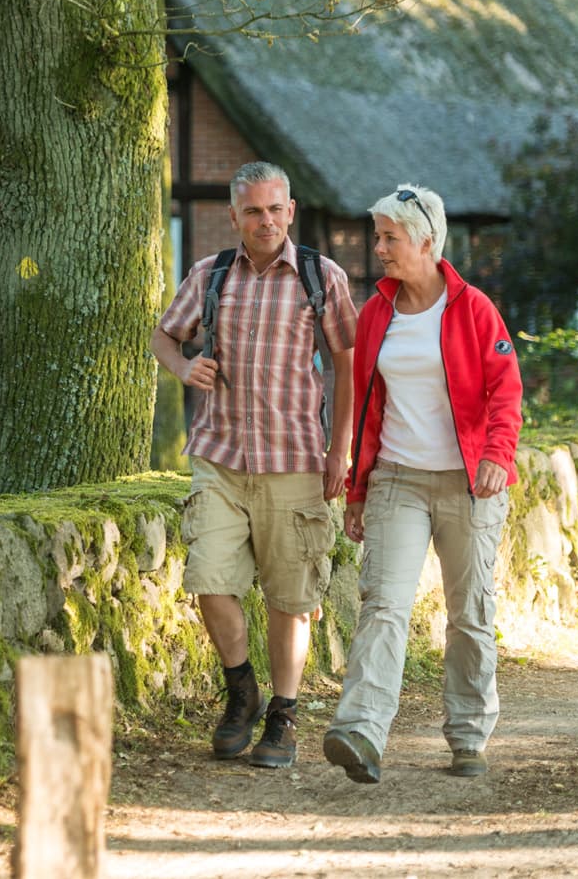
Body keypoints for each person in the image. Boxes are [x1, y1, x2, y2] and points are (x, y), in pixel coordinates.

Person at [151, 161, 357, 768]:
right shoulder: (209, 274)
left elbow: (347, 367)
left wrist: (339, 449)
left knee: (290, 598)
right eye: (252, 211)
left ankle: (284, 715)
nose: (264, 221)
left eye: (275, 209)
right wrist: (185, 367)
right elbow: (165, 335)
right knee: (210, 582)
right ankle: (241, 690)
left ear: (290, 211)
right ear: (234, 216)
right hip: (219, 458)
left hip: (295, 459)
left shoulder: (322, 277)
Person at [322, 183, 524, 784]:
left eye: (390, 237)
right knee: (383, 604)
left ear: (427, 242)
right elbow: (366, 407)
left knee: (469, 614)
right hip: (397, 480)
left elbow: (505, 391)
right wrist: (358, 490)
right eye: (378, 236)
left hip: (469, 483)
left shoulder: (474, 308)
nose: (379, 248)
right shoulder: (377, 312)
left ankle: (468, 737)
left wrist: (496, 453)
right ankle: (361, 729)